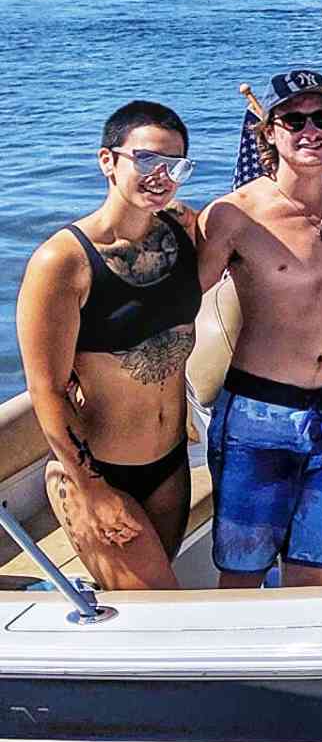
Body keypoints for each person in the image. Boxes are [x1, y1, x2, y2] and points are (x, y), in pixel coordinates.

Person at [16, 101, 202, 590]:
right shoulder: (62, 262)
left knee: (153, 609)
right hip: (102, 472)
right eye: (145, 161)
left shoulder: (182, 232)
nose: (161, 176)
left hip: (170, 465)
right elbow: (47, 391)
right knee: (164, 614)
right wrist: (92, 488)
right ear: (108, 161)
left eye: (175, 165)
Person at [195, 69, 322, 588]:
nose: (310, 131)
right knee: (243, 581)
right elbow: (178, 303)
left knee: (315, 576)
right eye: (293, 120)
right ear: (267, 132)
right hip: (258, 417)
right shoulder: (232, 215)